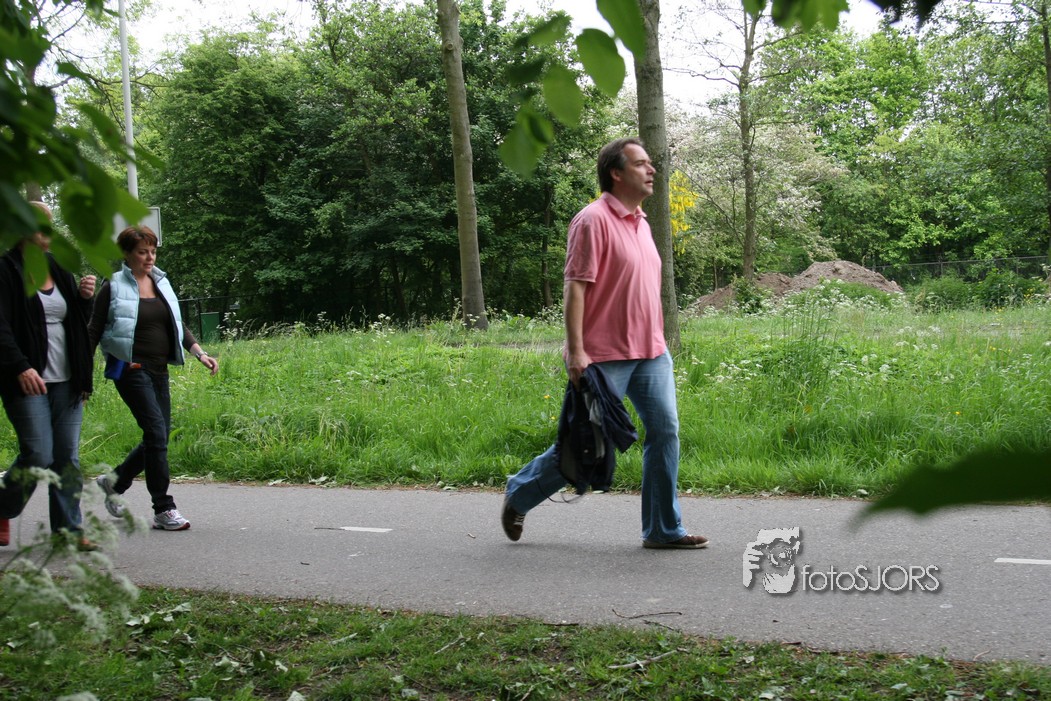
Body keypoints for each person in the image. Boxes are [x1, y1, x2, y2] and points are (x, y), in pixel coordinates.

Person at [501, 137, 709, 549]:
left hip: (651, 351)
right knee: (588, 444)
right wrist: (576, 350)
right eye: (641, 163)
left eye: (650, 163)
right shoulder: (592, 220)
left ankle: (663, 530)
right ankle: (520, 492)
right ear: (616, 173)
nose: (651, 169)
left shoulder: (643, 223)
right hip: (603, 355)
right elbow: (575, 287)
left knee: (665, 431)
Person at [88, 225, 218, 531]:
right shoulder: (113, 286)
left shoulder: (161, 282)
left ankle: (113, 482)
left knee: (157, 437)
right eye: (142, 252)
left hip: (159, 370)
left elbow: (176, 323)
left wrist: (199, 353)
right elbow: (93, 330)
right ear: (126, 254)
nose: (150, 258)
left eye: (153, 251)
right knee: (157, 434)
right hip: (130, 370)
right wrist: (82, 376)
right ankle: (164, 508)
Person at [0, 201, 98, 551]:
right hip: (26, 380)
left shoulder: (58, 268)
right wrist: (20, 366)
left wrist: (84, 299)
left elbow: (77, 323)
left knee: (66, 457)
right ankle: (3, 506)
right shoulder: (6, 270)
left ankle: (69, 531)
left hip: (68, 379)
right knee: (39, 454)